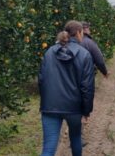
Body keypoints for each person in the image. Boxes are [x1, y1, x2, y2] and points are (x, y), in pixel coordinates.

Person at [38, 20, 95, 156]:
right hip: (74, 108)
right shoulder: (84, 54)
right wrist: (86, 111)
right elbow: (87, 87)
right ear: (79, 33)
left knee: (49, 146)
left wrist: (46, 101)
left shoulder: (49, 52)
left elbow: (41, 80)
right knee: (75, 138)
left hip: (50, 106)